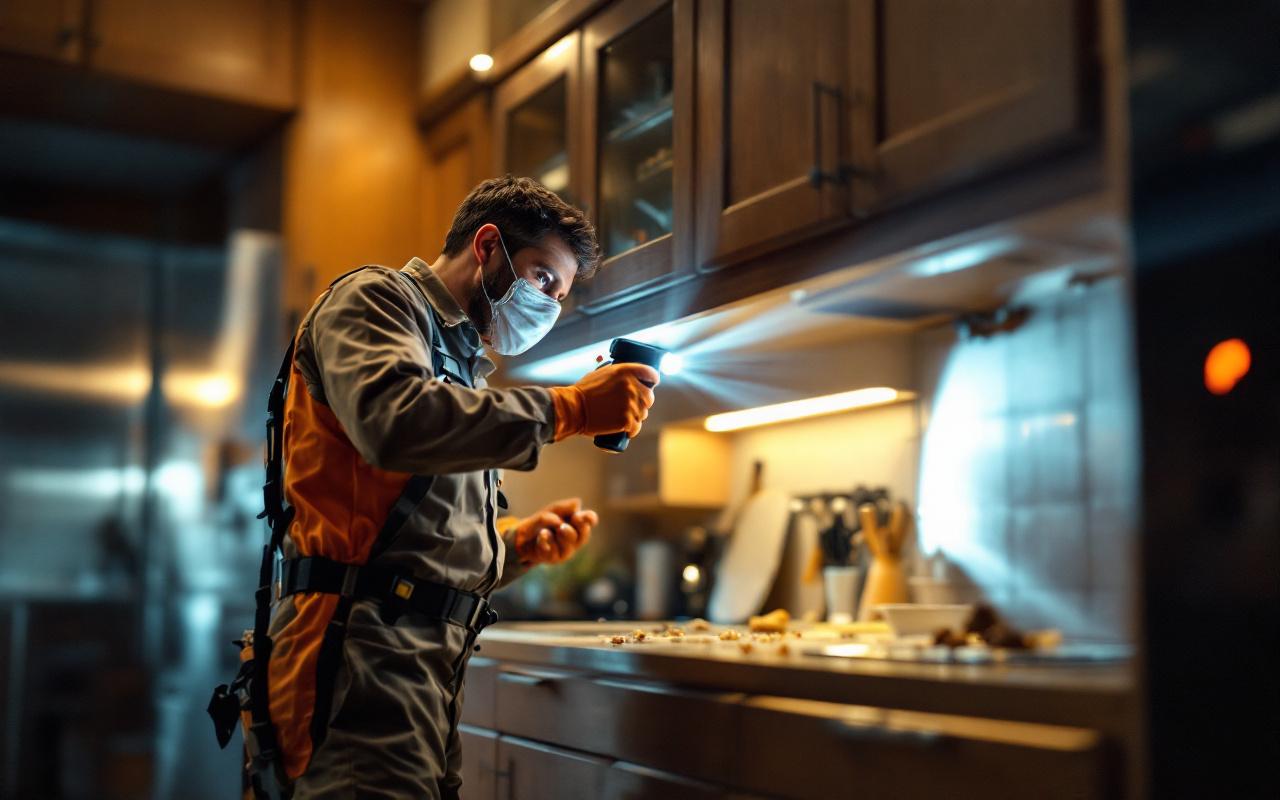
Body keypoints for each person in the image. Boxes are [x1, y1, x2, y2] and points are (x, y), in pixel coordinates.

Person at [254, 176, 658, 797]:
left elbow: (417, 546)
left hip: (424, 675)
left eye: (561, 294)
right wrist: (570, 408)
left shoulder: (462, 368)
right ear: (488, 245)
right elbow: (393, 422)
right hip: (354, 664)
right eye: (543, 278)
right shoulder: (376, 301)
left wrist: (518, 546)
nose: (549, 304)